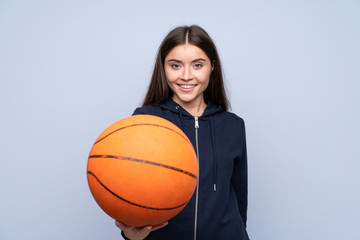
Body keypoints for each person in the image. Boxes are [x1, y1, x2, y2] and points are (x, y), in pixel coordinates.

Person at [115, 25, 250, 240]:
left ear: (212, 67)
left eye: (197, 65)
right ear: (163, 68)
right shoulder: (145, 121)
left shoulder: (233, 126)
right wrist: (132, 235)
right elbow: (131, 192)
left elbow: (239, 200)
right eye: (175, 65)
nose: (186, 76)